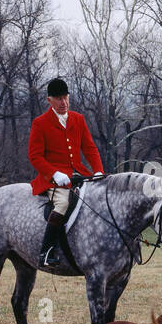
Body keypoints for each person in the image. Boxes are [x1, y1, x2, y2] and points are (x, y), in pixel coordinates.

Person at [28, 77, 104, 270]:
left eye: (65, 97)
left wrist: (98, 171)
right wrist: (54, 174)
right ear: (49, 100)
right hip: (53, 180)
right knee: (63, 203)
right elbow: (35, 156)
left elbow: (89, 148)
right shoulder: (40, 123)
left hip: (78, 174)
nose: (63, 103)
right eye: (58, 99)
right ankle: (47, 251)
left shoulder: (78, 119)